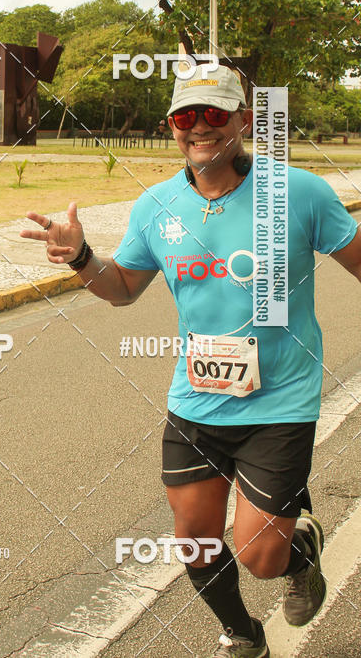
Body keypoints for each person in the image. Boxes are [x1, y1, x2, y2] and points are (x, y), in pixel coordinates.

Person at [20, 64, 361, 657]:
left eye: (215, 114)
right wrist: (81, 258)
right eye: (185, 116)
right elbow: (122, 288)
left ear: (244, 121)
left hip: (281, 401)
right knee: (196, 542)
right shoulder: (157, 205)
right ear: (170, 127)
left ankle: (298, 550)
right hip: (197, 401)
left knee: (258, 554)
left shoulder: (300, 193)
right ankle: (243, 634)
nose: (200, 127)